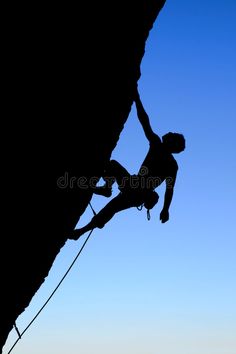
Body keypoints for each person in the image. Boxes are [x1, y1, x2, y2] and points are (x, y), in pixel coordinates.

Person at [69, 86, 185, 240]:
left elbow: (145, 121)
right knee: (112, 205)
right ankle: (81, 231)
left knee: (112, 171)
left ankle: (105, 190)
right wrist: (165, 210)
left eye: (172, 135)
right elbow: (169, 189)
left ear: (172, 144)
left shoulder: (158, 147)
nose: (169, 133)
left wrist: (137, 99)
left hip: (135, 188)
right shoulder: (170, 163)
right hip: (138, 191)